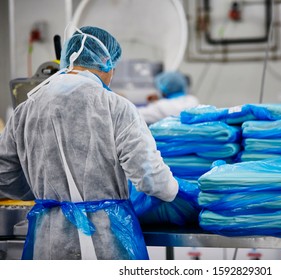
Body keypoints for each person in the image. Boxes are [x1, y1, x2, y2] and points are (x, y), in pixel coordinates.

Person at [0, 26, 178, 260]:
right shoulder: (115, 107)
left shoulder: (25, 110)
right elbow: (151, 178)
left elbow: (5, 175)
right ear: (105, 62)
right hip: (106, 238)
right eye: (113, 66)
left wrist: (46, 189)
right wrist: (174, 190)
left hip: (47, 240)